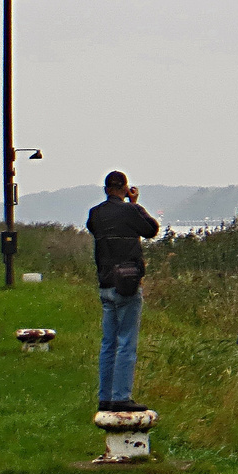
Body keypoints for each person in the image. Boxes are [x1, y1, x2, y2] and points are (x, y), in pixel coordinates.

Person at [86, 171, 160, 413]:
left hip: (105, 283)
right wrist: (134, 204)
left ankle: (105, 397)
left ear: (106, 189)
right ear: (126, 188)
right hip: (127, 284)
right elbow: (151, 230)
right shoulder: (131, 211)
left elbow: (93, 230)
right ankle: (121, 397)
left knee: (108, 343)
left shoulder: (95, 213)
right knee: (126, 342)